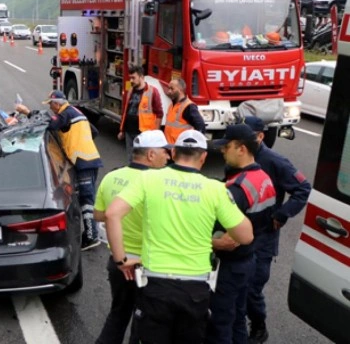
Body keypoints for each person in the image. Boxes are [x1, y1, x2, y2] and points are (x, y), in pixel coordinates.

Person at [106, 130, 254, 344]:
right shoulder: (214, 188)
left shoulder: (148, 178)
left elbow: (111, 214)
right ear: (203, 157)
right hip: (195, 289)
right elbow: (246, 236)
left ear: (174, 152)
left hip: (155, 283)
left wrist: (121, 260)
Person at [93, 130, 171, 344]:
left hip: (118, 263)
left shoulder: (111, 176)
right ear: (151, 155)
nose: (169, 156)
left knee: (118, 313)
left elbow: (99, 214)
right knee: (146, 319)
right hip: (147, 264)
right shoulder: (159, 182)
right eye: (165, 152)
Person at [242, 116, 311, 344]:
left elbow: (303, 188)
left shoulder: (275, 161)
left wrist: (282, 214)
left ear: (260, 136)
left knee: (253, 288)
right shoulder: (238, 156)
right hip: (239, 234)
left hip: (263, 237)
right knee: (235, 285)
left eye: (248, 136)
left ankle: (259, 328)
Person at [207, 124, 276, 344]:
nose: (222, 151)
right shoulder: (263, 177)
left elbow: (225, 238)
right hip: (249, 258)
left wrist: (201, 241)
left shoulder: (237, 190)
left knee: (220, 324)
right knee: (237, 317)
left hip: (229, 266)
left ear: (241, 149)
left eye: (226, 146)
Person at [15, 90, 103, 250]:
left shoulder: (65, 114)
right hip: (91, 159)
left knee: (86, 200)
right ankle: (91, 232)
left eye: (51, 104)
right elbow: (94, 132)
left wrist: (28, 112)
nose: (50, 107)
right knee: (88, 198)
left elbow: (49, 124)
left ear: (57, 104)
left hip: (83, 161)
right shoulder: (76, 112)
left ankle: (91, 236)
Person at [118, 65, 163, 161]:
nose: (131, 81)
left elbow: (159, 114)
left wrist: (155, 134)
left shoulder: (152, 91)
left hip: (144, 133)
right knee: (131, 158)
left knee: (143, 160)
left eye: (133, 78)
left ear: (141, 77)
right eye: (130, 78)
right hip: (129, 131)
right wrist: (122, 129)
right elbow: (125, 110)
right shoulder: (130, 90)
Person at [164, 78, 205, 144]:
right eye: (169, 88)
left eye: (172, 89)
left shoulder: (188, 106)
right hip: (170, 147)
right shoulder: (172, 105)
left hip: (180, 148)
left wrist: (194, 143)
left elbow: (200, 125)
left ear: (180, 90)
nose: (169, 91)